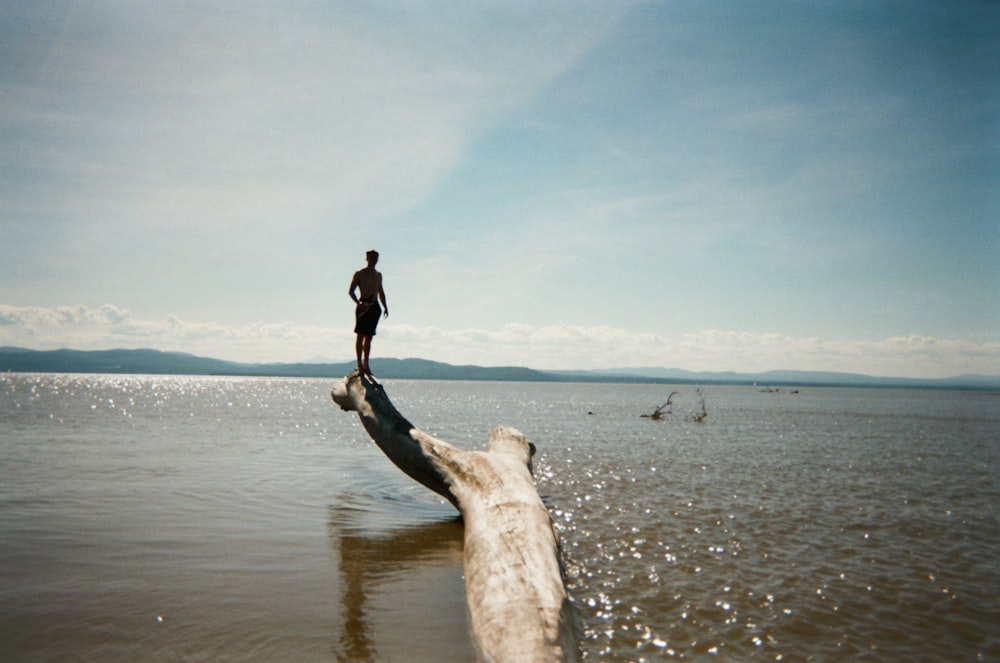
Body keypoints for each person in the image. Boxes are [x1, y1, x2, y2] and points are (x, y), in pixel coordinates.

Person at [348, 249, 388, 376]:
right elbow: (351, 291)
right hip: (363, 306)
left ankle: (366, 365)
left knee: (369, 337)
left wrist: (385, 306)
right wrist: (359, 303)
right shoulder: (360, 273)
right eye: (371, 258)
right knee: (360, 335)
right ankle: (359, 364)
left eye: (375, 258)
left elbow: (380, 291)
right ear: (366, 258)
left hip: (374, 307)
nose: (373, 260)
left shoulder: (378, 275)